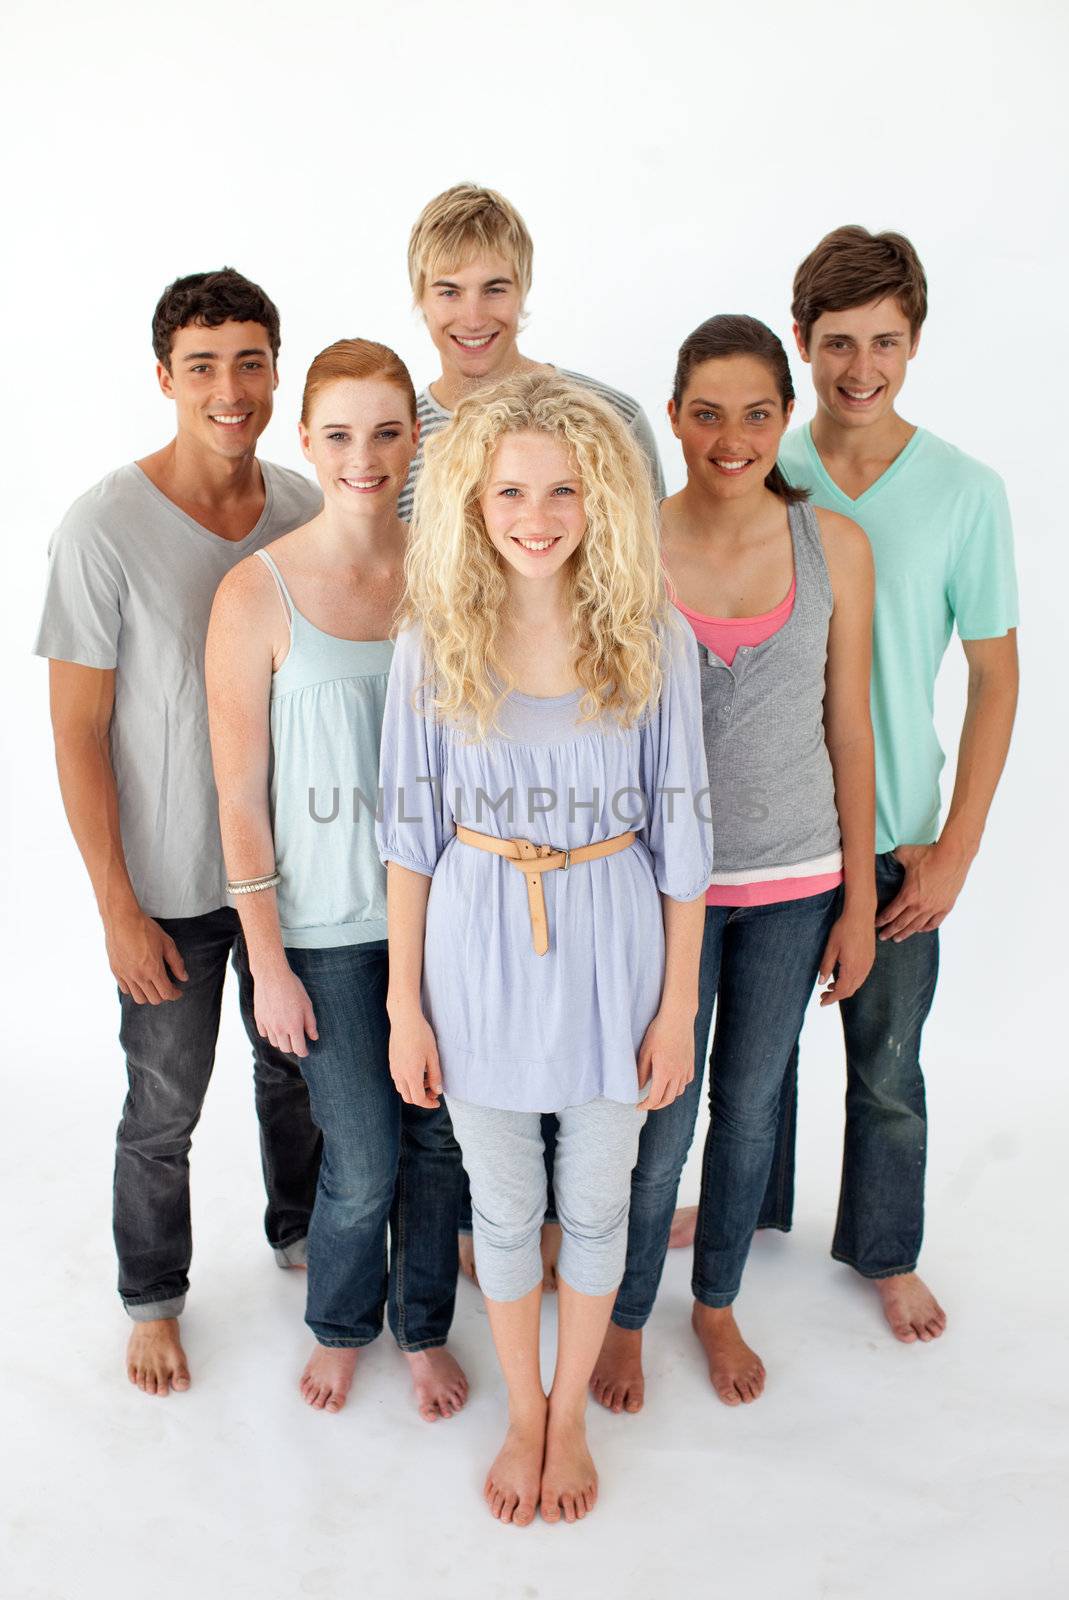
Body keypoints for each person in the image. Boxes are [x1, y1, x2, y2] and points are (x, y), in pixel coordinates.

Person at [376, 372, 713, 1524]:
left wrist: (675, 1010)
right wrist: (402, 1009)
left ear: (599, 499)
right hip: (476, 955)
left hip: (615, 954)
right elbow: (408, 843)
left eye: (562, 489)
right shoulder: (431, 642)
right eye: (511, 489)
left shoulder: (649, 635)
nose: (536, 513)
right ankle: (524, 1407)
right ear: (471, 500)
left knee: (602, 1200)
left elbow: (685, 841)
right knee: (505, 1205)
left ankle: (571, 1415)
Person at [714, 226, 1017, 1345]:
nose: (859, 368)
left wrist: (957, 848)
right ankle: (750, 1213)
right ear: (800, 342)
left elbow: (996, 674)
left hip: (896, 840)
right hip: (777, 832)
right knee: (751, 1061)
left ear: (915, 342)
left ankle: (884, 1250)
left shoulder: (964, 493)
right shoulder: (758, 466)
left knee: (887, 1069)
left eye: (883, 342)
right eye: (836, 342)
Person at [33, 268, 324, 1397]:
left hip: (292, 877)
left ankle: (301, 1232)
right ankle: (152, 1297)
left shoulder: (306, 506)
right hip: (169, 887)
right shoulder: (104, 526)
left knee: (293, 1076)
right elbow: (76, 732)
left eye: (250, 360)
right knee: (163, 1108)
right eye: (202, 365)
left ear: (275, 370)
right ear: (165, 377)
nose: (229, 387)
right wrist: (115, 906)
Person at [589, 315, 875, 1412]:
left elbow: (848, 730)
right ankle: (623, 1312)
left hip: (795, 884)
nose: (731, 436)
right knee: (660, 1107)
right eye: (705, 413)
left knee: (750, 1106)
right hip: (665, 888)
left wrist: (856, 899)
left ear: (786, 419)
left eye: (757, 413)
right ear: (671, 418)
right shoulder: (627, 541)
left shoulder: (832, 547)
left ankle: (714, 1300)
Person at [402, 182, 668, 1285]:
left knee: (599, 1119)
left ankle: (589, 1262)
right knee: (458, 1093)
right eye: (447, 290)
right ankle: (482, 1259)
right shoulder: (405, 428)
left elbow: (629, 588)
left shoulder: (596, 418)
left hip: (583, 751)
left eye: (496, 286)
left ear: (527, 285)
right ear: (417, 296)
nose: (474, 313)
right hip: (445, 757)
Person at [205, 339, 468, 1421]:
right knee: (359, 1155)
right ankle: (342, 1323)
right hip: (323, 931)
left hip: (451, 916)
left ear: (415, 441)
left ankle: (424, 1328)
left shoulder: (454, 572)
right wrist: (267, 964)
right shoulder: (253, 593)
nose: (364, 456)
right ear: (304, 440)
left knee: (437, 1142)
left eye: (388, 431)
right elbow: (238, 800)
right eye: (341, 433)